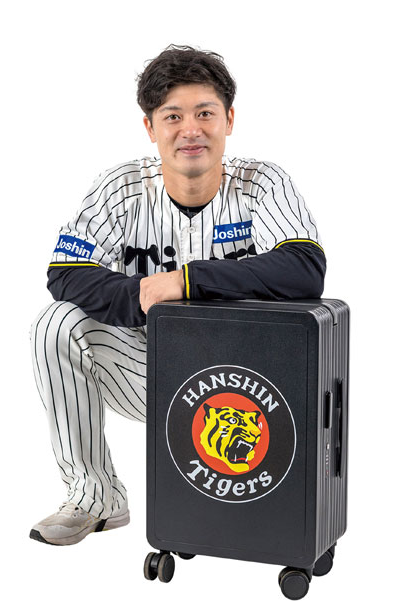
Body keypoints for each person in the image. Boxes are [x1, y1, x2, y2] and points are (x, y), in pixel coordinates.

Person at [29, 45, 326, 545]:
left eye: (205, 113)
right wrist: (143, 295)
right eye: (173, 116)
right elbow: (65, 273)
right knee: (54, 323)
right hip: (151, 371)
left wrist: (187, 281)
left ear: (229, 120)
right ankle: (95, 496)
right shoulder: (122, 187)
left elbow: (304, 268)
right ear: (151, 128)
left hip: (249, 384)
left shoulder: (262, 183)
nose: (191, 129)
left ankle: (266, 519)